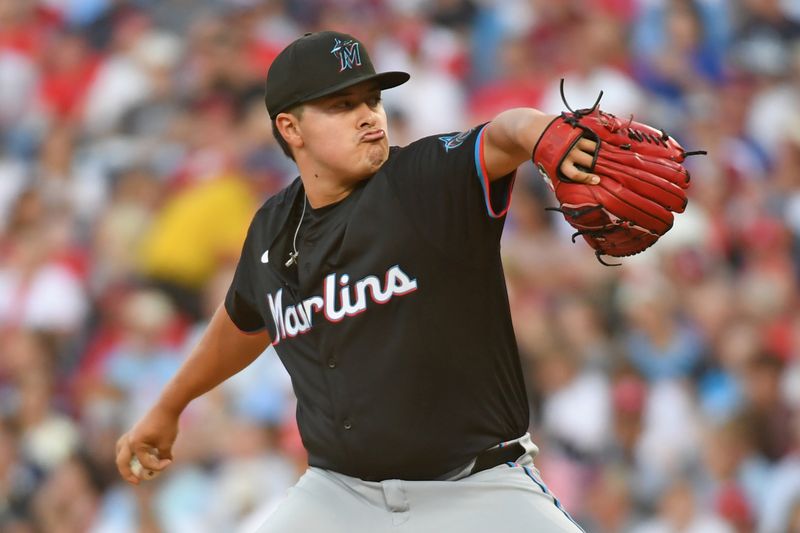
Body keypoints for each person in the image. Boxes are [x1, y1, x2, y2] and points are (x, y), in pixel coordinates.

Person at [115, 30, 600, 532]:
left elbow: (503, 133)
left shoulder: (424, 181)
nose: (369, 115)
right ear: (291, 128)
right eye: (342, 105)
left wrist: (542, 133)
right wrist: (169, 405)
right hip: (339, 494)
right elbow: (243, 321)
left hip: (478, 486)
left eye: (372, 99)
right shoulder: (271, 229)